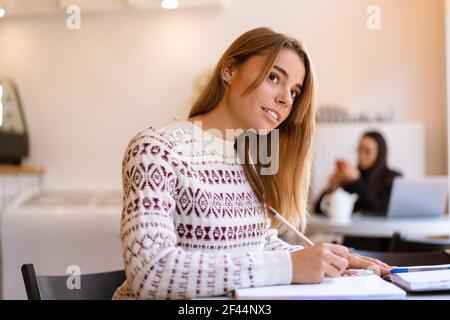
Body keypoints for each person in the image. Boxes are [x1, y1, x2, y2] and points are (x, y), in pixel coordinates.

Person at [113, 27, 391, 300]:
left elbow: (258, 245)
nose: (285, 99)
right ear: (229, 70)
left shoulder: (247, 158)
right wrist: (290, 266)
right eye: (273, 77)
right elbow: (150, 271)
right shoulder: (157, 149)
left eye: (294, 92)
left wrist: (330, 262)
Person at [315, 131, 402, 216]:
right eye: (359, 150)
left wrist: (356, 181)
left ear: (379, 154)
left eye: (367, 151)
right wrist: (330, 187)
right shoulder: (349, 177)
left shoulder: (392, 178)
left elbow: (381, 209)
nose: (361, 155)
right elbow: (319, 210)